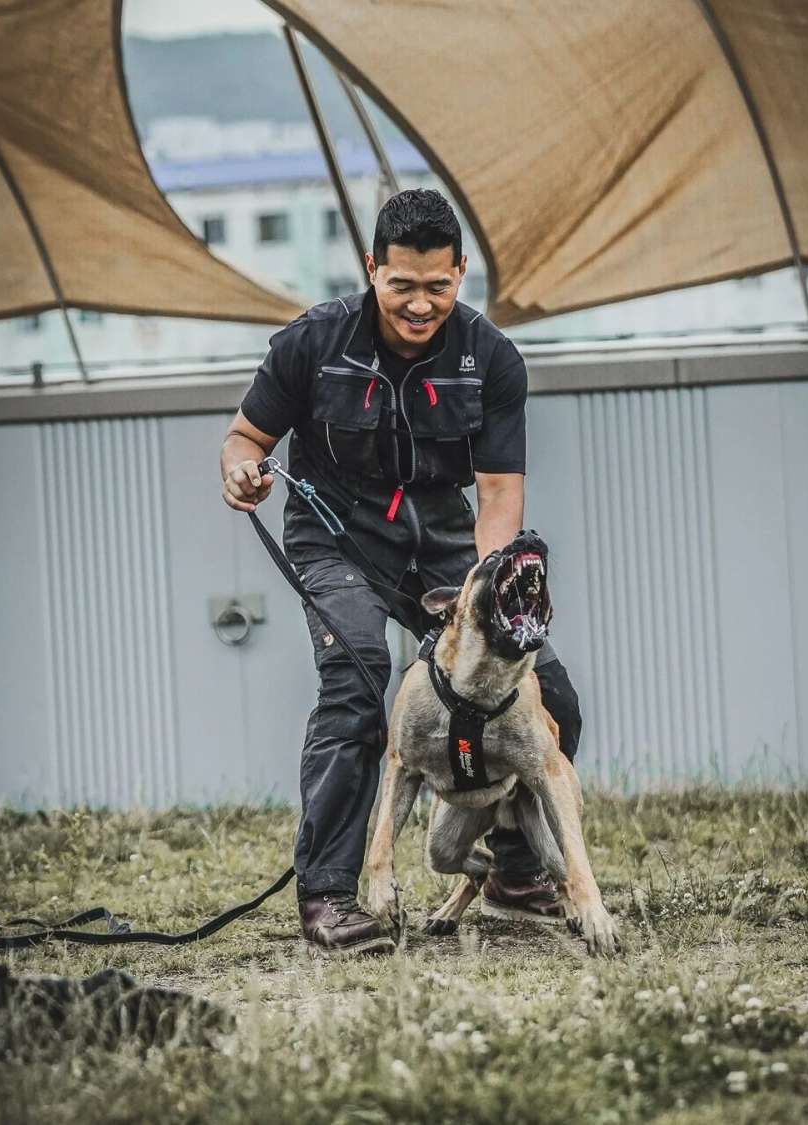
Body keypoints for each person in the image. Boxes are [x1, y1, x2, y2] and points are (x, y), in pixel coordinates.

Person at [220, 189, 583, 956]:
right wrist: (243, 471)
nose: (421, 305)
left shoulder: (491, 362)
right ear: (372, 270)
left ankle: (516, 871)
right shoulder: (312, 344)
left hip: (450, 545)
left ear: (459, 273)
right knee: (357, 682)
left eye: (438, 287)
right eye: (402, 285)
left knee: (552, 697)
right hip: (336, 541)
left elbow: (497, 498)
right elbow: (244, 439)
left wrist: (484, 606)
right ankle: (327, 897)